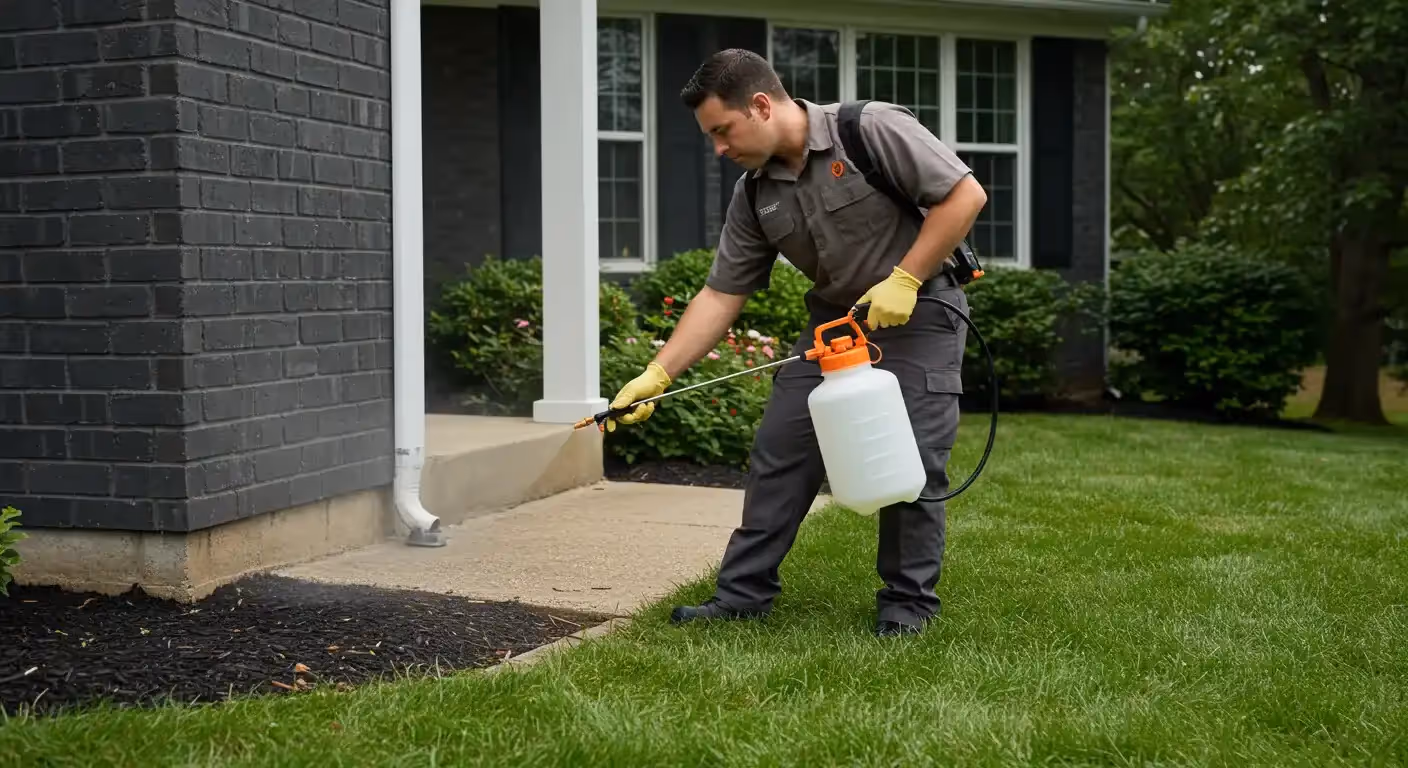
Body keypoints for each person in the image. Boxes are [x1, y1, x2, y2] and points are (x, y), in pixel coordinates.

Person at [607, 49, 988, 637]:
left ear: (760, 105)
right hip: (836, 328)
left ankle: (907, 607)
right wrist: (658, 373)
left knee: (910, 462)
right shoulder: (755, 194)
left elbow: (964, 196)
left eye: (722, 131)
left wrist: (907, 277)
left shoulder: (869, 129)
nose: (719, 148)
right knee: (780, 454)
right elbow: (721, 295)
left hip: (921, 314)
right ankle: (742, 596)